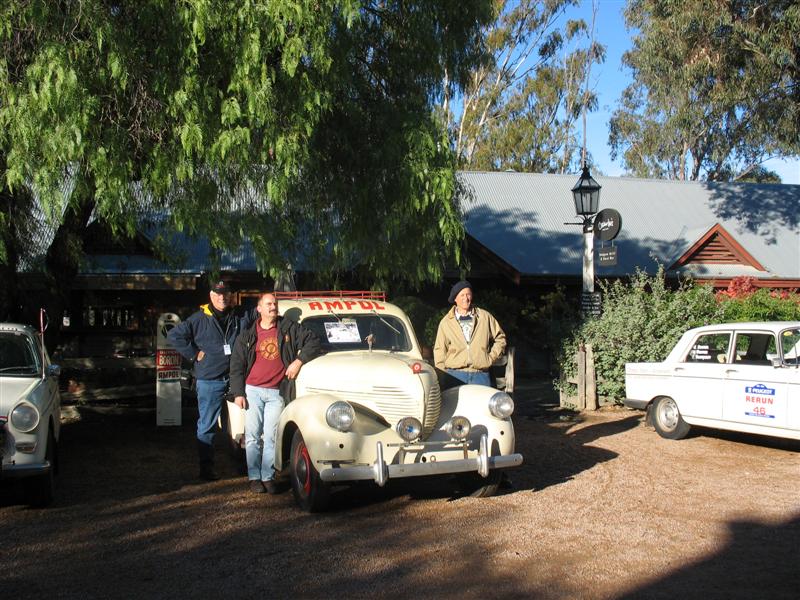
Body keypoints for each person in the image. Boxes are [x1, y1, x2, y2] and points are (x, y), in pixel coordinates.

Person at [229, 292, 321, 494]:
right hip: (252, 391)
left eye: (275, 303)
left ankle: (268, 477)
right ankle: (254, 477)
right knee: (252, 437)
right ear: (259, 308)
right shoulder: (247, 335)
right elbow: (236, 365)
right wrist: (238, 393)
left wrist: (298, 361)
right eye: (269, 304)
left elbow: (314, 341)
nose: (273, 307)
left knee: (271, 437)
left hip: (277, 392)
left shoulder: (288, 328)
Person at [168, 280, 253, 481]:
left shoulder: (239, 315)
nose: (222, 298)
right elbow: (174, 335)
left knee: (244, 423)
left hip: (236, 379)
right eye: (218, 294)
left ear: (231, 295)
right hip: (209, 380)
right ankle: (206, 469)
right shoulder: (198, 319)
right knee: (207, 425)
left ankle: (244, 464)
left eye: (226, 294)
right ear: (211, 296)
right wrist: (193, 353)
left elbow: (263, 313)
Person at [433, 280, 506, 386]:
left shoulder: (484, 317)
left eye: (468, 294)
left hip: (480, 375)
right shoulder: (446, 322)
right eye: (462, 295)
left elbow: (500, 338)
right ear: (455, 299)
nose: (466, 298)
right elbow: (439, 350)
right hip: (454, 375)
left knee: (482, 403)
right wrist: (442, 374)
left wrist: (489, 358)